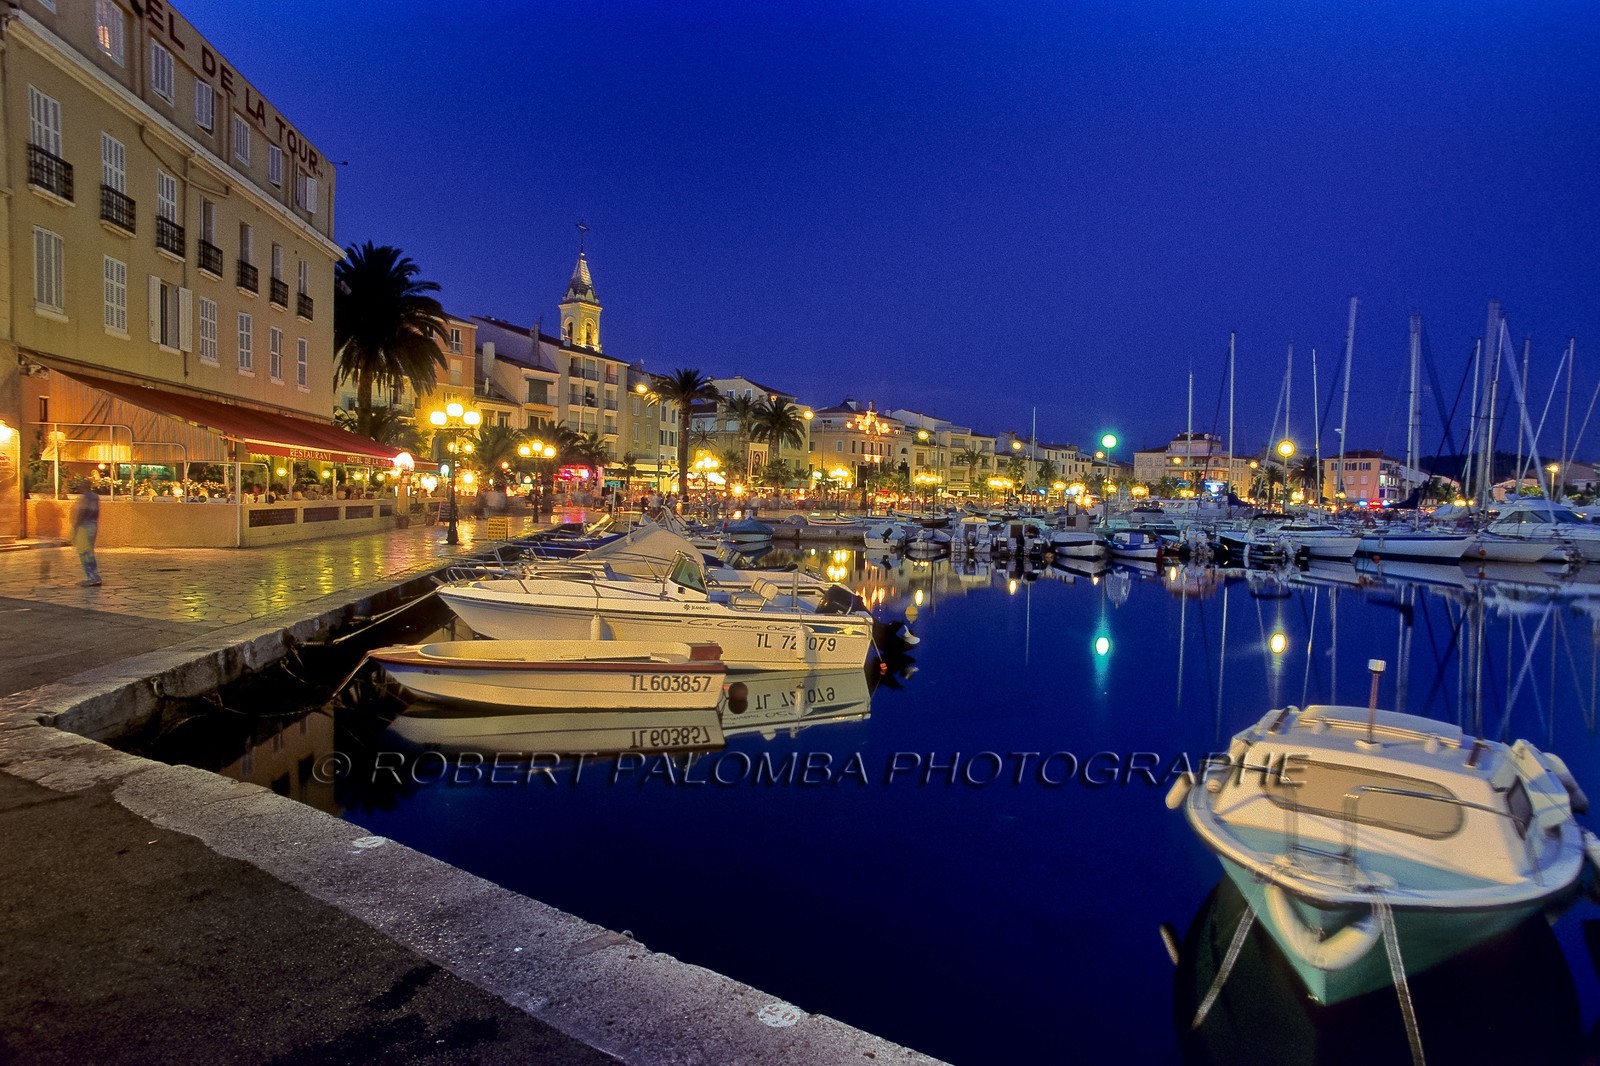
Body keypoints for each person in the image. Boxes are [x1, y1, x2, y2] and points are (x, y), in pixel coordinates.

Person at [70, 483, 101, 587]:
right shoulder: (95, 497)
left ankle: (91, 577)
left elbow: (81, 513)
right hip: (93, 525)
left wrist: (75, 527)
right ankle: (95, 576)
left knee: (84, 552)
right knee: (90, 551)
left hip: (84, 527)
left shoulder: (85, 498)